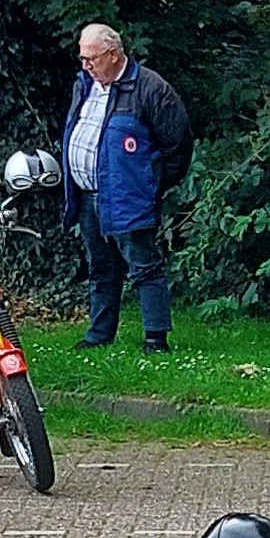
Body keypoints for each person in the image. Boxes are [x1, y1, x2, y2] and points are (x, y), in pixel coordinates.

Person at [58, 23, 193, 352]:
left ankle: (156, 338)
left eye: (91, 59)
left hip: (129, 196)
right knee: (100, 268)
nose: (86, 66)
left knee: (144, 266)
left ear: (114, 55)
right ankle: (99, 335)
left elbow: (178, 144)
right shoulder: (84, 85)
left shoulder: (150, 87)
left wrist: (150, 184)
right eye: (82, 59)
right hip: (88, 195)